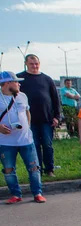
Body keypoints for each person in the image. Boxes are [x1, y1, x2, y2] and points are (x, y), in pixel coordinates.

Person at [0, 71, 46, 203]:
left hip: (26, 140)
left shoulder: (22, 96)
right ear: (7, 83)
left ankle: (37, 193)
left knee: (34, 167)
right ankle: (16, 194)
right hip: (6, 142)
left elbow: (27, 112)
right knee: (9, 170)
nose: (19, 84)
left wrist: (28, 127)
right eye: (15, 82)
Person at [17, 54, 60, 177]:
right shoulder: (20, 78)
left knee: (47, 145)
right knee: (34, 145)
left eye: (36, 63)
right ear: (26, 64)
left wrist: (57, 116)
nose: (34, 66)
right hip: (29, 120)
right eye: (31, 64)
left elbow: (55, 99)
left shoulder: (47, 79)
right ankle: (37, 170)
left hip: (47, 119)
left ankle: (50, 169)